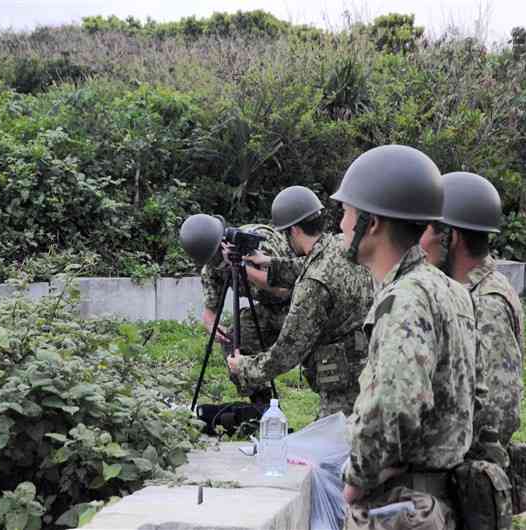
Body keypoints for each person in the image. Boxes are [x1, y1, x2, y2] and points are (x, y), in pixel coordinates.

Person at [332, 145, 477, 530]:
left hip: (400, 508)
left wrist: (356, 479)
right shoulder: (449, 289)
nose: (341, 226)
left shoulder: (406, 297)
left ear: (372, 222)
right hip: (437, 499)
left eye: (346, 212)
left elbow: (394, 404)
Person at [227, 186, 374, 417]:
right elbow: (307, 266)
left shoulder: (312, 286)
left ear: (294, 230)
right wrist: (269, 262)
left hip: (342, 382)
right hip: (368, 365)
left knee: (336, 444)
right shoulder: (339, 245)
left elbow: (287, 353)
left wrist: (244, 367)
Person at [420, 172, 524, 448]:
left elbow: (498, 412)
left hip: (466, 471)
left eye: (425, 230)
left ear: (450, 237)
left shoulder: (486, 302)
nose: (419, 243)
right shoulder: (462, 292)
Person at [199, 221, 296, 405]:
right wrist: (211, 324)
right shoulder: (212, 263)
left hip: (299, 303)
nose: (216, 266)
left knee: (303, 348)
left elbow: (282, 289)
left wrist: (239, 266)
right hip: (268, 308)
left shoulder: (257, 245)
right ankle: (261, 403)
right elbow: (210, 311)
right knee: (236, 337)